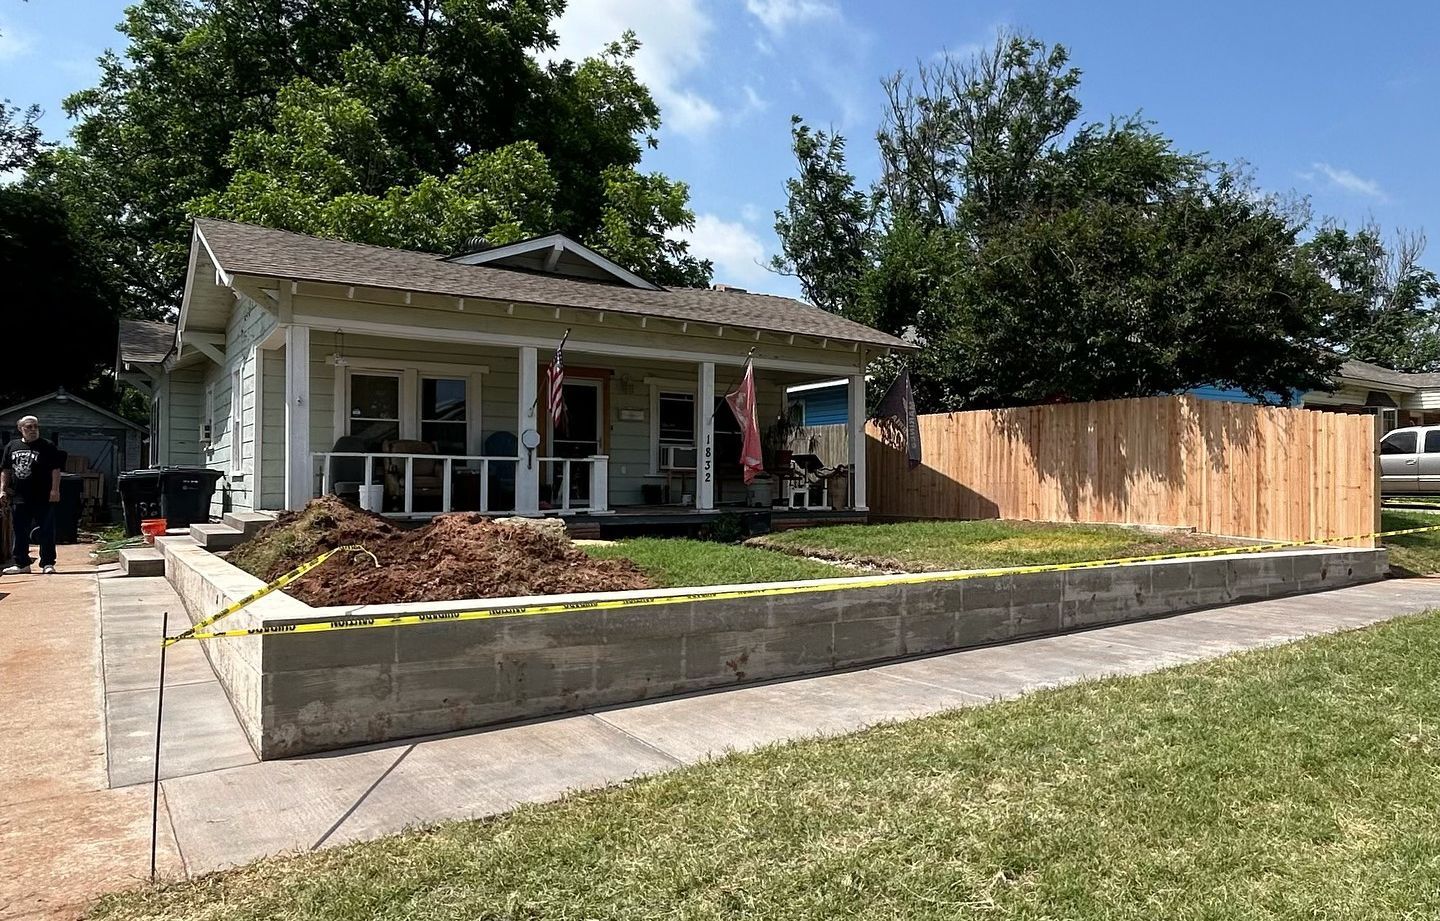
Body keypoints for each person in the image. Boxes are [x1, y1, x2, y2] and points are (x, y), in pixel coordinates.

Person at [1, 415, 64, 575]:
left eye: (35, 426)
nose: (33, 430)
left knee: (46, 530)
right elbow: (6, 470)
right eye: (29, 427)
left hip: (43, 496)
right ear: (20, 428)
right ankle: (21, 563)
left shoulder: (47, 446)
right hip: (19, 496)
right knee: (19, 530)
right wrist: (2, 489)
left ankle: (47, 563)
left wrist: (55, 490)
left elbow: (56, 470)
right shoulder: (12, 446)